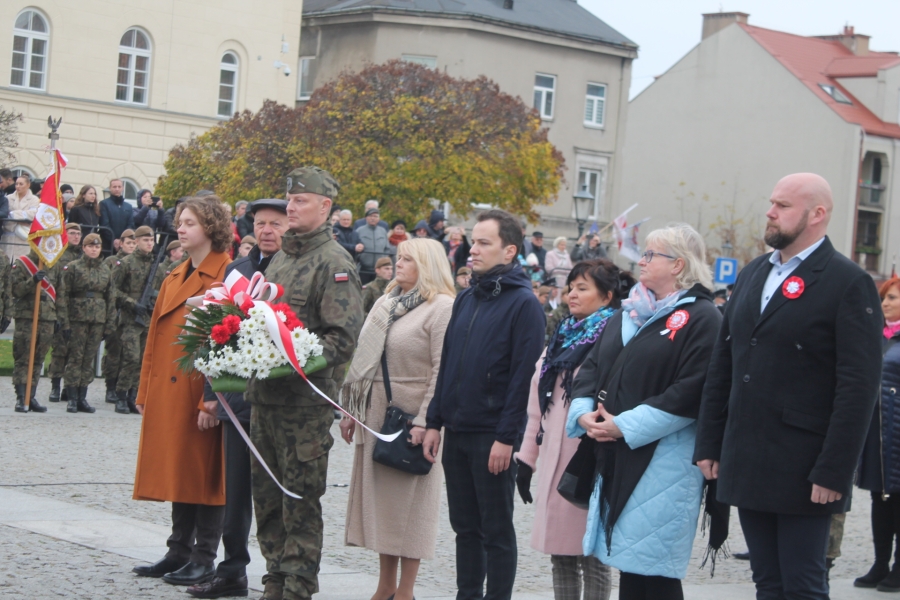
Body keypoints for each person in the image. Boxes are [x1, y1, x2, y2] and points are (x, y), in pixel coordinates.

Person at [694, 173, 883, 600]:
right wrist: (710, 442)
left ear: (817, 214)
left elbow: (858, 387)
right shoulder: (754, 273)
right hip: (748, 455)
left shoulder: (847, 282)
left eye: (782, 205)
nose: (770, 212)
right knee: (767, 583)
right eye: (772, 203)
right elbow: (724, 363)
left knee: (803, 586)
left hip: (805, 465)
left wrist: (834, 470)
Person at [566, 224, 721, 600]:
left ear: (678, 264)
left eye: (652, 255)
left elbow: (691, 390)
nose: (642, 261)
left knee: (656, 571)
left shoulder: (703, 317)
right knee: (630, 568)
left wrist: (624, 425)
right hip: (615, 453)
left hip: (665, 461)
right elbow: (591, 368)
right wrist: (584, 412)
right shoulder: (628, 312)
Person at [245, 166, 363, 600]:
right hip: (265, 399)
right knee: (266, 499)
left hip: (303, 407)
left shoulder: (334, 262)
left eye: (301, 201)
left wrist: (289, 361)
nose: (290, 207)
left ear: (325, 206)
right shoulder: (281, 257)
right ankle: (274, 579)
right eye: (289, 200)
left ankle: (297, 587)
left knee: (299, 500)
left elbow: (342, 339)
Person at [422, 209, 545, 600]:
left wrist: (506, 438)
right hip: (456, 431)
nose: (472, 249)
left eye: (483, 243)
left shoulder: (524, 304)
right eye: (472, 241)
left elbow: (523, 381)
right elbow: (447, 365)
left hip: (493, 435)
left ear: (509, 251)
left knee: (496, 530)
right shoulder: (466, 298)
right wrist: (433, 421)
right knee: (465, 528)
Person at [339, 238, 455, 600]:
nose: (398, 263)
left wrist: (426, 420)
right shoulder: (386, 301)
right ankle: (385, 586)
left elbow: (442, 369)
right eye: (398, 257)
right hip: (376, 412)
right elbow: (365, 359)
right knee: (383, 506)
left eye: (408, 259)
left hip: (412, 418)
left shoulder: (442, 307)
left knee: (412, 506)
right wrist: (352, 410)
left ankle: (406, 591)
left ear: (428, 266)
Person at [186, 198, 290, 600]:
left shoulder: (294, 269)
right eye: (261, 223)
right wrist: (212, 393)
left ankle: (281, 577)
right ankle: (232, 571)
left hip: (279, 401)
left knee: (276, 493)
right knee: (236, 494)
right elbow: (214, 333)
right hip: (238, 400)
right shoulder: (237, 270)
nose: (267, 230)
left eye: (276, 223)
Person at [517, 259, 635, 600]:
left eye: (582, 288)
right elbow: (537, 405)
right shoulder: (563, 335)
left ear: (607, 296)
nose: (572, 294)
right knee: (561, 554)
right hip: (554, 459)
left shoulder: (618, 336)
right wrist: (526, 458)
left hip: (590, 458)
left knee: (592, 554)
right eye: (571, 287)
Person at [131, 195, 233, 586]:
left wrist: (213, 399)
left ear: (210, 227)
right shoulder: (175, 274)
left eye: (189, 222)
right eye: (180, 221)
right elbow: (154, 340)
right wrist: (145, 390)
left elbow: (229, 345)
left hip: (200, 392)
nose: (181, 228)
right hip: (172, 390)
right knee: (180, 468)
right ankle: (178, 550)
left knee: (206, 475)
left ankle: (203, 556)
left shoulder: (227, 272)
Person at [855, 276, 900, 591]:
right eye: (883, 298)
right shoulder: (878, 336)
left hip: (896, 431)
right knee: (879, 497)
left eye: (892, 298)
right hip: (876, 431)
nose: (885, 303)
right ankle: (880, 562)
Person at [61, 233, 115, 414]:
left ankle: (82, 396)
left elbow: (110, 297)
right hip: (77, 318)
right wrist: (65, 322)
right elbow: (63, 295)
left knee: (88, 358)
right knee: (75, 358)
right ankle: (71, 397)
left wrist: (109, 324)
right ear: (84, 248)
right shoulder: (73, 267)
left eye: (97, 247)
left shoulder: (105, 270)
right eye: (90, 246)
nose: (94, 249)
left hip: (97, 319)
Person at [10, 246, 69, 413]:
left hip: (47, 318)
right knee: (23, 357)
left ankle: (31, 396)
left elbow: (60, 295)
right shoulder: (22, 264)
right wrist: (33, 281)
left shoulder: (54, 266)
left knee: (38, 359)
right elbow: (15, 290)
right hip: (27, 317)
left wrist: (61, 319)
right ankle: (21, 397)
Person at [112, 225, 157, 415]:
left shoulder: (155, 264)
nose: (149, 243)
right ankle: (121, 395)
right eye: (145, 240)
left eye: (151, 240)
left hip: (148, 317)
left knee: (143, 360)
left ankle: (134, 395)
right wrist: (131, 303)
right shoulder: (126, 263)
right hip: (130, 318)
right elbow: (113, 289)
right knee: (130, 357)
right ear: (136, 241)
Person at [47, 222, 84, 404]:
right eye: (72, 233)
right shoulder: (58, 256)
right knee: (60, 350)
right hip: (61, 307)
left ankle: (68, 388)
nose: (76, 236)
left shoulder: (83, 256)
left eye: (78, 233)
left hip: (79, 311)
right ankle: (55, 385)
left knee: (75, 352)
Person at [101, 228, 136, 404]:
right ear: (120, 244)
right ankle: (110, 387)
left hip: (131, 314)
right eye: (128, 243)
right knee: (114, 351)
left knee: (129, 353)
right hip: (115, 312)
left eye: (134, 243)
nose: (131, 246)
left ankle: (125, 388)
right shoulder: (111, 261)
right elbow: (109, 287)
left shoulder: (137, 263)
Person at [1, 174, 39, 259]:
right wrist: (22, 217)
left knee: (21, 262)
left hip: (24, 237)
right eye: (16, 184)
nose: (18, 186)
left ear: (28, 185)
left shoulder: (34, 200)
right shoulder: (8, 198)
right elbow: (5, 214)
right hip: (8, 237)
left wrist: (13, 214)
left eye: (21, 184)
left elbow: (33, 214)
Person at [356, 207, 395, 285]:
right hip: (363, 269)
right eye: (370, 216)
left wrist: (383, 260)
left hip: (379, 271)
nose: (373, 218)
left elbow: (387, 248)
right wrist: (360, 257)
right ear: (366, 218)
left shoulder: (383, 231)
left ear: (378, 219)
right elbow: (355, 247)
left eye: (375, 216)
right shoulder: (359, 231)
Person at [99, 179, 135, 253]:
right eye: (114, 187)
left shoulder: (128, 206)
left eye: (119, 187)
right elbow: (104, 224)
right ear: (110, 188)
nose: (117, 189)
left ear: (122, 188)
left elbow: (130, 224)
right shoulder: (104, 204)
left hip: (124, 244)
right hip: (108, 245)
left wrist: (123, 240)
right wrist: (113, 239)